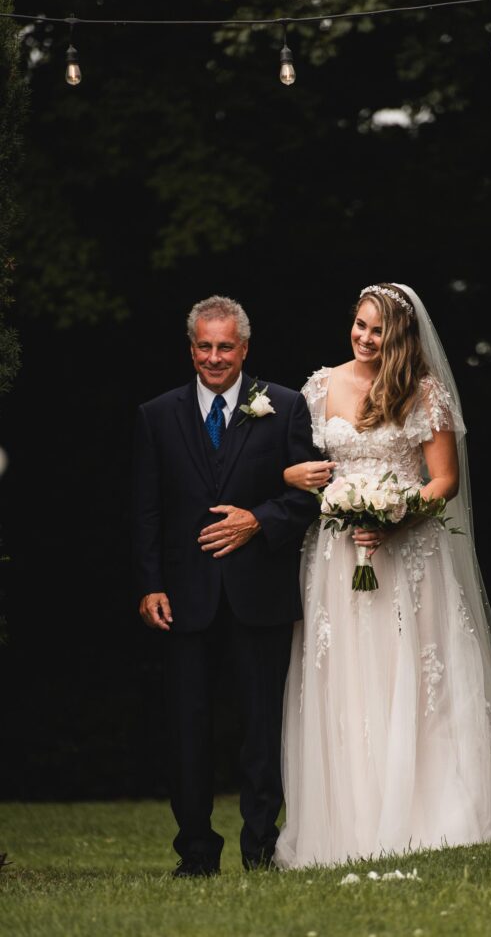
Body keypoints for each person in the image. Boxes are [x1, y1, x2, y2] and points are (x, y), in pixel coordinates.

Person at [274, 283, 491, 868]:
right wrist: (296, 478)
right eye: (360, 326)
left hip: (406, 554)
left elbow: (443, 478)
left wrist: (397, 517)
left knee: (413, 674)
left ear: (400, 338)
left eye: (378, 331)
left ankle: (434, 813)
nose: (365, 339)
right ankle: (345, 821)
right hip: (335, 554)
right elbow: (290, 462)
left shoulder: (426, 393)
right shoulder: (318, 387)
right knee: (342, 675)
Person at [132, 294, 320, 877]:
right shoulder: (156, 414)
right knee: (188, 731)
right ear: (192, 350)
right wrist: (150, 584)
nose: (215, 357)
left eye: (226, 347)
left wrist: (257, 520)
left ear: (244, 348)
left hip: (258, 592)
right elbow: (146, 510)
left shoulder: (285, 407)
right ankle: (195, 853)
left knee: (262, 730)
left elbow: (307, 494)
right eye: (205, 347)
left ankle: (261, 850)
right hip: (184, 597)